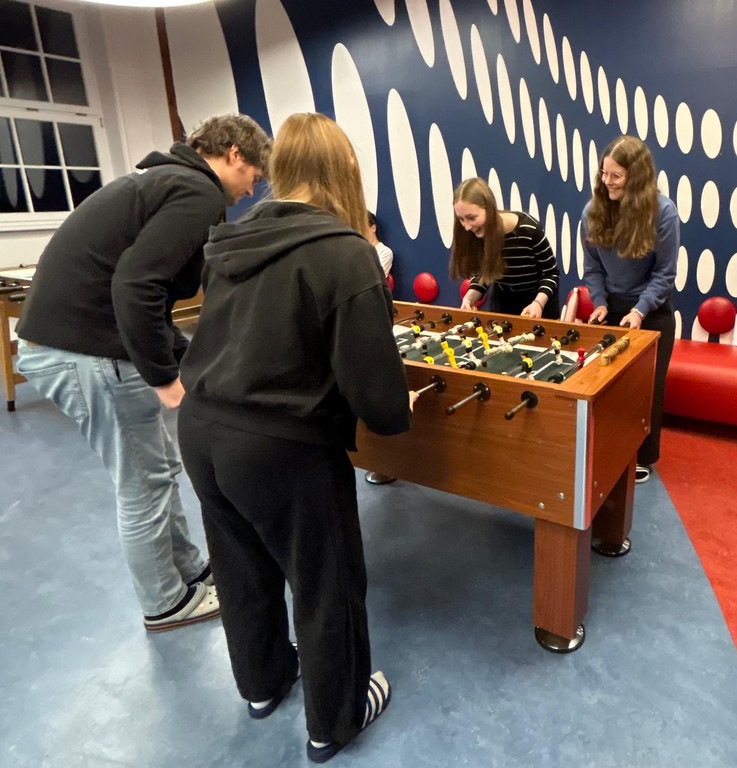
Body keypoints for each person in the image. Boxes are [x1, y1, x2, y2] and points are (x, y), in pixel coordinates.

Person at [176, 112, 416, 763]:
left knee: (241, 569)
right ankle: (336, 720)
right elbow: (379, 400)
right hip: (280, 447)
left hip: (201, 429)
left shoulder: (232, 239)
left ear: (280, 169)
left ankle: (263, 684)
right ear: (345, 170)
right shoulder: (346, 251)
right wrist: (399, 408)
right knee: (324, 580)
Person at [16, 113, 272, 631]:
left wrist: (183, 358)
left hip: (71, 340)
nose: (251, 190)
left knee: (157, 468)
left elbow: (145, 293)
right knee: (141, 482)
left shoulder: (164, 179)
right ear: (234, 155)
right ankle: (164, 603)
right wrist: (164, 379)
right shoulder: (198, 191)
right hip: (85, 348)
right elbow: (137, 286)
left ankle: (188, 569)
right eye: (254, 176)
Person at [580, 135, 679, 484]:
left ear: (636, 177)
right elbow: (592, 267)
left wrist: (640, 310)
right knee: (607, 387)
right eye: (604, 173)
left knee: (647, 390)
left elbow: (665, 273)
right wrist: (599, 301)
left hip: (652, 312)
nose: (607, 181)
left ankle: (643, 456)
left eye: (616, 175)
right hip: (611, 307)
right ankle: (608, 450)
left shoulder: (663, 212)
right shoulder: (593, 211)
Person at [450, 177, 560, 318]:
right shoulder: (476, 235)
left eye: (472, 218)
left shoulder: (530, 230)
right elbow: (483, 274)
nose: (466, 226)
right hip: (503, 303)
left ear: (489, 209)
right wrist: (469, 298)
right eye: (461, 219)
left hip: (539, 303)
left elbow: (551, 273)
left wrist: (538, 303)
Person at [367, 210, 393, 277]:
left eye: (363, 227)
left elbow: (375, 278)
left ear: (373, 228)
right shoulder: (356, 250)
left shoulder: (384, 252)